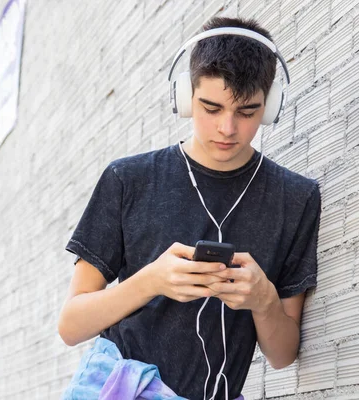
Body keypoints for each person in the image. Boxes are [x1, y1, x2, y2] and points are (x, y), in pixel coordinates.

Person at [58, 16, 322, 400]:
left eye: (247, 112)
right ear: (184, 97)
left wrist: (264, 298)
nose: (227, 128)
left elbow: (282, 355)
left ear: (270, 106)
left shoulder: (296, 198)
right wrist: (152, 281)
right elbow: (70, 326)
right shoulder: (128, 179)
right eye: (211, 108)